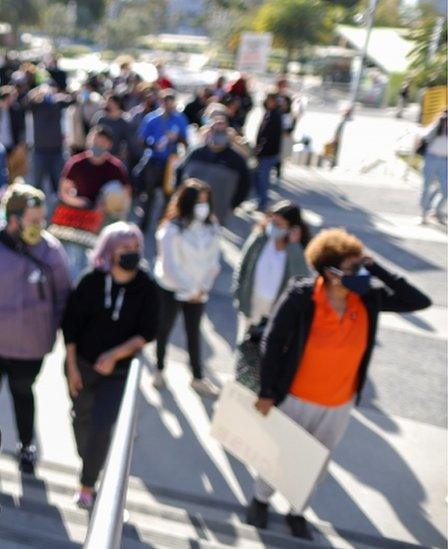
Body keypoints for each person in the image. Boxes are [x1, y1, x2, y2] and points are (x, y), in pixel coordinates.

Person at [247, 228, 431, 540]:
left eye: (359, 266)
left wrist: (376, 268)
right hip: (295, 397)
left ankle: (297, 511)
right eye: (351, 268)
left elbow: (418, 301)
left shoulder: (367, 297)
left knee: (314, 464)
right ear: (330, 272)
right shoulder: (301, 297)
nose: (358, 273)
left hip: (338, 403)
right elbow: (273, 343)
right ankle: (260, 500)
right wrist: (266, 391)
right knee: (278, 455)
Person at [0, 184, 72, 475]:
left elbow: (64, 296)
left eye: (41, 219)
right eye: (33, 220)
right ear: (13, 218)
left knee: (23, 394)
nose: (40, 226)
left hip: (31, 349)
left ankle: (27, 446)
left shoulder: (51, 252)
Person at [61, 222, 160, 510]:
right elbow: (70, 326)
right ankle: (90, 462)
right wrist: (72, 368)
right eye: (124, 248)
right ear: (109, 250)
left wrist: (115, 355)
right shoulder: (91, 280)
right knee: (81, 420)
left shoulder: (146, 287)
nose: (131, 253)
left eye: (135, 248)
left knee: (102, 427)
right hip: (82, 366)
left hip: (117, 374)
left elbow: (148, 331)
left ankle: (87, 484)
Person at [231, 201, 311, 390]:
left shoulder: (297, 250)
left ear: (292, 228)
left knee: (268, 354)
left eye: (280, 224)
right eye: (272, 221)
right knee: (244, 349)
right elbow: (242, 267)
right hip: (251, 307)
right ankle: (240, 384)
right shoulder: (259, 240)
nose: (273, 227)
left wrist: (293, 247)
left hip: (275, 314)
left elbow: (302, 278)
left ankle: (260, 387)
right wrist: (238, 294)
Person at [153, 179, 221, 397]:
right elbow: (170, 265)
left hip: (199, 291)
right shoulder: (171, 229)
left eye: (206, 201)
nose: (203, 206)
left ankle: (197, 376)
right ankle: (159, 369)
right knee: (163, 329)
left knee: (194, 333)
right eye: (198, 201)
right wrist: (189, 288)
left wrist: (202, 288)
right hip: (172, 288)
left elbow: (214, 261)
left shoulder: (211, 227)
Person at [58, 126, 132, 279]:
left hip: (106, 219)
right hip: (82, 217)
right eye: (95, 141)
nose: (98, 145)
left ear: (109, 145)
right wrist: (81, 203)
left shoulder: (116, 168)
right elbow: (64, 192)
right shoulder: (77, 163)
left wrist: (110, 206)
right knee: (78, 258)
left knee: (103, 257)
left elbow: (126, 194)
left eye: (102, 143)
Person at [174, 114, 250, 224]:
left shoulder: (237, 160)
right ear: (208, 131)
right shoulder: (195, 153)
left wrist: (231, 206)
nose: (217, 135)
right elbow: (179, 172)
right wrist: (179, 196)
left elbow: (245, 187)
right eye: (214, 130)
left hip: (215, 215)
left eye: (221, 132)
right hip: (188, 210)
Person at [136, 89, 189, 233]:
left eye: (170, 101)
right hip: (153, 161)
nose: (167, 105)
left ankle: (163, 226)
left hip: (171, 163)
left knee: (169, 195)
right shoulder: (151, 118)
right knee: (148, 195)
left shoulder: (180, 119)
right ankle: (143, 225)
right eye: (165, 101)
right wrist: (153, 143)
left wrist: (176, 138)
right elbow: (141, 140)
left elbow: (186, 141)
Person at [26, 83, 73, 200]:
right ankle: (35, 206)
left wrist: (55, 95)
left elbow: (70, 100)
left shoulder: (57, 103)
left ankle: (59, 209)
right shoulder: (35, 105)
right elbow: (26, 101)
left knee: (59, 183)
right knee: (36, 184)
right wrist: (37, 93)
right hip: (39, 151)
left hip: (56, 151)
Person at [0, 86, 27, 181]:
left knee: (11, 170)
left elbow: (21, 128)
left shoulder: (16, 110)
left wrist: (20, 143)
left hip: (11, 145)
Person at [92, 93, 141, 169]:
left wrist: (122, 154)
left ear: (117, 104)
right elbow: (94, 138)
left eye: (110, 102)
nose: (107, 105)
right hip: (101, 158)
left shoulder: (125, 121)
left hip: (119, 158)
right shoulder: (101, 120)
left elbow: (130, 142)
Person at [252, 92, 282, 212]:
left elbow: (270, 137)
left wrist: (261, 149)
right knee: (259, 178)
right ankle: (261, 201)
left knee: (263, 180)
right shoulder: (270, 113)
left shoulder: (275, 115)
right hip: (266, 152)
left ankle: (262, 203)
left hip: (268, 154)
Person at [419, 110, 448, 225]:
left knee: (445, 189)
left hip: (445, 161)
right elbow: (425, 137)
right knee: (427, 187)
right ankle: (424, 214)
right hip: (432, 158)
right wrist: (439, 125)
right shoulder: (437, 127)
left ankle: (436, 210)